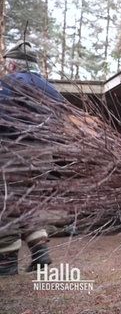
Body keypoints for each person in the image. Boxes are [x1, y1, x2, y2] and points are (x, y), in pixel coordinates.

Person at [0, 41, 61, 275]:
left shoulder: (7, 85)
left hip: (12, 155)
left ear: (13, 65)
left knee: (5, 204)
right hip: (43, 158)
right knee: (28, 202)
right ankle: (39, 252)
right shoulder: (51, 89)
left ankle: (5, 262)